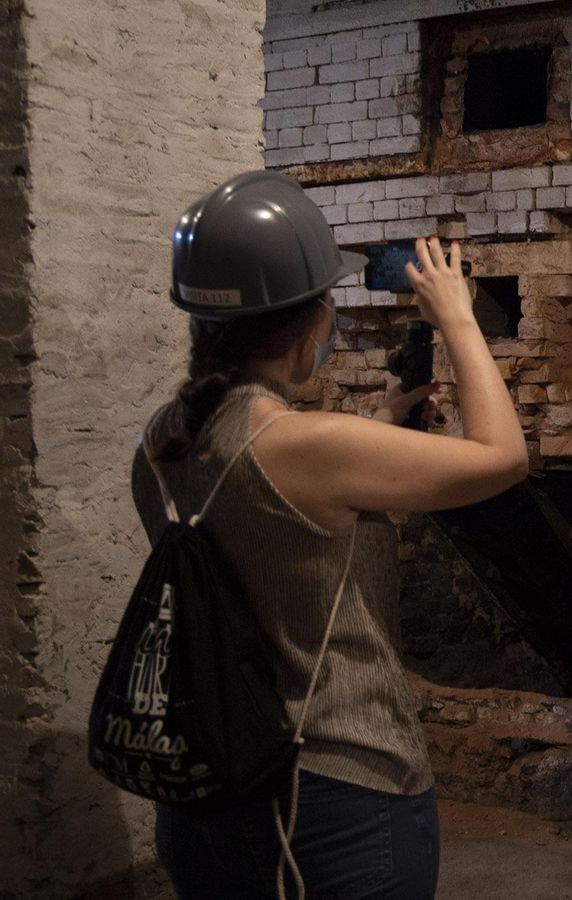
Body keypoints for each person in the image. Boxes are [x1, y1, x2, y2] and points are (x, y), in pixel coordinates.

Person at [132, 170, 527, 900]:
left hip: (205, 779)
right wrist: (458, 320)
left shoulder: (164, 438)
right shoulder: (310, 444)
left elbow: (270, 522)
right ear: (313, 321)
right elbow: (504, 457)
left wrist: (378, 428)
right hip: (333, 790)